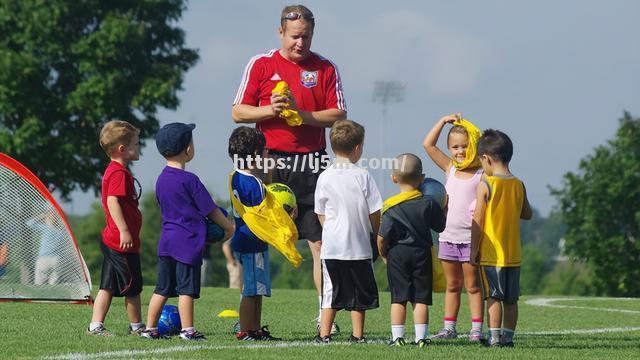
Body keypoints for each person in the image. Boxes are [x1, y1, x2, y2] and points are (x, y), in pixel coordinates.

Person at [231, 4, 347, 334]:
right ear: (281, 32)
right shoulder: (261, 64)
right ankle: (248, 318)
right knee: (257, 241)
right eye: (295, 37)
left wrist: (302, 115)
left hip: (312, 163)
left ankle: (326, 317)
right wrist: (271, 110)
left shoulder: (325, 68)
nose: (301, 43)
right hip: (267, 163)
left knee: (320, 244)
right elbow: (238, 112)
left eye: (306, 37)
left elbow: (339, 113)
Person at [141, 123, 234, 341]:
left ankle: (149, 329)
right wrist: (228, 227)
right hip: (187, 242)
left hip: (166, 241)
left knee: (161, 289)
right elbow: (210, 210)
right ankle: (188, 330)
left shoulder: (161, 179)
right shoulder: (189, 180)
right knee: (186, 290)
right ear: (188, 149)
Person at [314, 120, 382, 343]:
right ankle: (357, 335)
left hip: (333, 246)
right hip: (359, 245)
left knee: (331, 291)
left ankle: (324, 334)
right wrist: (377, 232)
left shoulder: (324, 176)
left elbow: (320, 211)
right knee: (359, 292)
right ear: (358, 148)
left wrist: (330, 230)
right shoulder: (363, 176)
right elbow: (375, 211)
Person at [423, 113, 485, 341]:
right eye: (455, 147)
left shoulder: (482, 173)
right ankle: (449, 328)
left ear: (475, 147)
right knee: (452, 285)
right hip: (447, 237)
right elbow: (428, 145)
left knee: (473, 286)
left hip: (472, 240)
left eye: (465, 146)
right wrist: (441, 121)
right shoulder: (450, 168)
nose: (460, 151)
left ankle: (476, 330)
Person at [471, 129, 532, 347]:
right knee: (511, 299)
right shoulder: (519, 184)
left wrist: (472, 251)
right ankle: (508, 338)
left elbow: (477, 221)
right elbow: (527, 214)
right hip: (513, 253)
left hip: (491, 253)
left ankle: (494, 338)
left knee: (493, 297)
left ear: (486, 158)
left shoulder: (486, 184)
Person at [377, 153, 446, 347]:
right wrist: (444, 209)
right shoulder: (429, 203)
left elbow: (382, 237)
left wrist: (384, 254)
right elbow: (440, 227)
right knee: (420, 298)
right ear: (422, 178)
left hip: (397, 254)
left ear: (394, 178)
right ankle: (421, 338)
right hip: (422, 253)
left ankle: (397, 338)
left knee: (398, 298)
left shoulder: (390, 206)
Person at [87, 120, 144, 336]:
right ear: (122, 149)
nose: (138, 148)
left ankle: (95, 326)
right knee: (133, 286)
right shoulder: (119, 172)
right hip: (121, 242)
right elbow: (113, 201)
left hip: (111, 239)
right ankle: (137, 327)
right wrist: (125, 230)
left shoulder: (114, 170)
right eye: (136, 144)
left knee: (108, 286)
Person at [228, 126, 281, 341]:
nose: (268, 154)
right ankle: (245, 331)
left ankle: (255, 329)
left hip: (244, 239)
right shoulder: (253, 182)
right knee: (251, 290)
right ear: (256, 155)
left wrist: (267, 173)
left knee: (256, 289)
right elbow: (266, 210)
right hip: (253, 242)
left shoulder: (235, 177)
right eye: (265, 151)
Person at [25, 210, 66, 285]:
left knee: (39, 283)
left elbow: (29, 223)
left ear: (47, 219)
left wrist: (41, 215)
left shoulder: (45, 229)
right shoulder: (61, 233)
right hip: (57, 260)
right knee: (54, 284)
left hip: (44, 259)